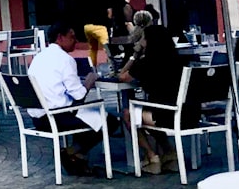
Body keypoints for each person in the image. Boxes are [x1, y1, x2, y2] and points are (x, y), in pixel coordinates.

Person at [26, 22, 103, 176]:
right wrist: (89, 81)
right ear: (60, 38)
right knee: (108, 120)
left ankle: (77, 157)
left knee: (84, 113)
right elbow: (79, 95)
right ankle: (71, 152)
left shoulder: (38, 57)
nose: (75, 41)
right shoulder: (65, 59)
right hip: (56, 117)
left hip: (38, 117)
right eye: (72, 37)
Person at [120, 24, 189, 175]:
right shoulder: (181, 61)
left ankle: (152, 156)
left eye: (144, 38)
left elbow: (122, 76)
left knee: (128, 114)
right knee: (149, 111)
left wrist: (135, 54)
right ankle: (169, 152)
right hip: (190, 113)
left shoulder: (146, 63)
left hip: (168, 115)